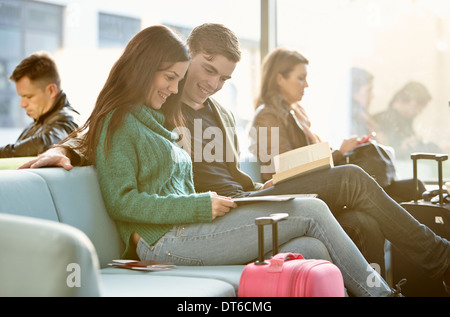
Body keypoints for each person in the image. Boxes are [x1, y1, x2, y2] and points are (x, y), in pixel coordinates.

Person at [20, 24, 450, 295]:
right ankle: (400, 283)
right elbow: (103, 141)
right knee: (333, 194)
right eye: (201, 70)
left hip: (221, 208)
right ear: (184, 61)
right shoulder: (132, 116)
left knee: (315, 245)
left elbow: (212, 172)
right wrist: (60, 148)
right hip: (179, 229)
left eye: (223, 78)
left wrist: (250, 191)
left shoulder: (172, 113)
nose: (209, 83)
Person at [0, 52, 79, 158]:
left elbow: (46, 143)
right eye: (21, 97)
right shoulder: (37, 124)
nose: (22, 104)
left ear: (51, 90)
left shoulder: (68, 120)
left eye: (28, 96)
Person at [373, 81, 442, 160]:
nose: (418, 113)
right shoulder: (386, 120)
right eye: (419, 109)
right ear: (413, 102)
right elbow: (388, 153)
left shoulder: (405, 121)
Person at [350, 67, 377, 137]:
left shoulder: (365, 118)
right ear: (354, 93)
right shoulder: (353, 122)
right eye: (368, 90)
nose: (372, 96)